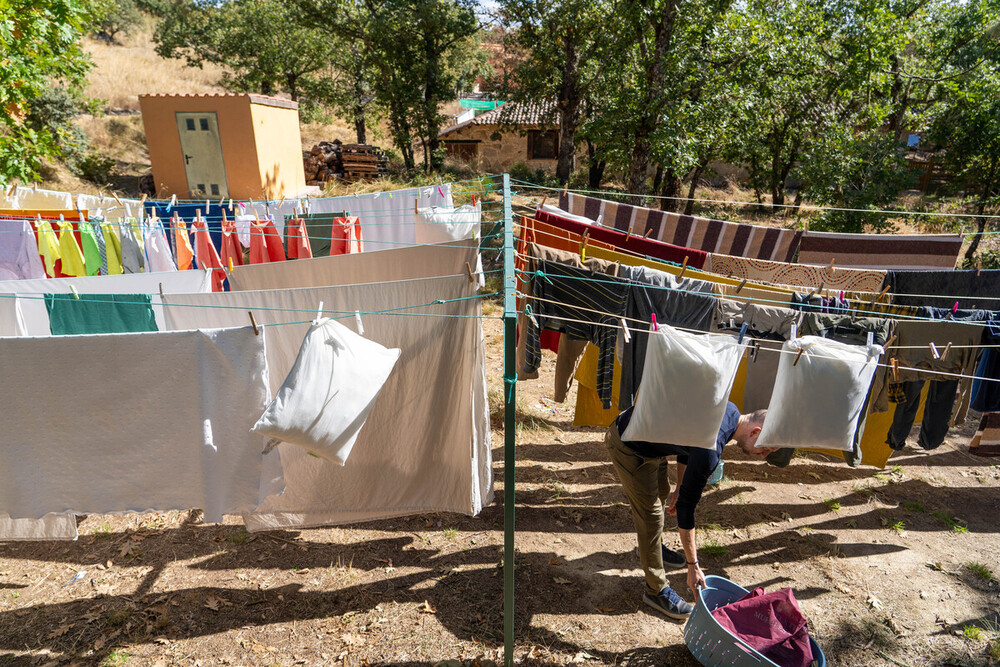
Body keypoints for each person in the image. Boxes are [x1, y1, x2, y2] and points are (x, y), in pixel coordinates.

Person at [605, 402, 776, 620]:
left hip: (649, 442)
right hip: (628, 445)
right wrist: (693, 566)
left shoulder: (728, 409)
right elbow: (686, 510)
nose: (763, 456)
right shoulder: (712, 449)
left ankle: (651, 548)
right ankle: (656, 591)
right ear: (756, 432)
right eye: (766, 449)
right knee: (651, 517)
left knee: (662, 493)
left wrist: (680, 484)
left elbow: (689, 444)